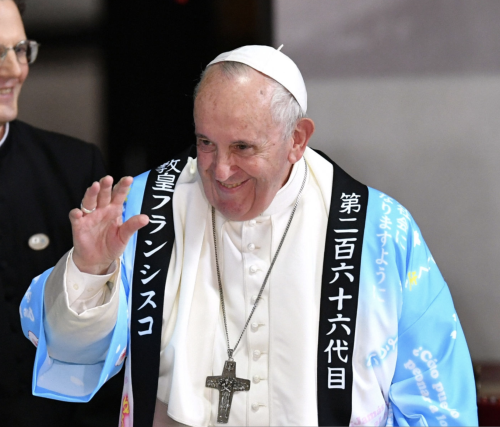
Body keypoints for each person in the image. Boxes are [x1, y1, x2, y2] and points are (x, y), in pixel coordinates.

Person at [21, 45, 478, 426]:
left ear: (297, 139)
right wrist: (90, 271)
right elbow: (74, 352)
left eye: (243, 147)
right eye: (205, 143)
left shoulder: (379, 230)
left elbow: (435, 398)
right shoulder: (143, 211)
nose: (220, 171)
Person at [0, 1, 124, 425]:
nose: (15, 69)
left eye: (20, 50)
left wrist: (94, 269)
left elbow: (99, 348)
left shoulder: (72, 167)